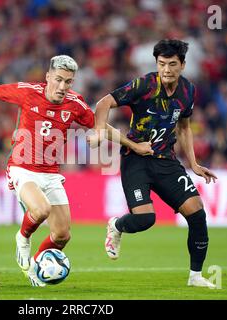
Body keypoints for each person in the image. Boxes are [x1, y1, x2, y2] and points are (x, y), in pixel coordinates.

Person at [0, 55, 146, 287]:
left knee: (62, 235)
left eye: (68, 82)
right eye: (59, 80)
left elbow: (100, 125)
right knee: (41, 210)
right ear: (48, 77)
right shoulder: (28, 91)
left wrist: (132, 145)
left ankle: (34, 266)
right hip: (22, 169)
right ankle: (22, 239)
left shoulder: (75, 103)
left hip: (51, 173)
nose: (63, 86)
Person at [91, 39, 218, 288]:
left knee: (198, 214)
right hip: (135, 159)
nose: (166, 70)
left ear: (182, 65)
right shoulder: (145, 85)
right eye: (162, 64)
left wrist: (193, 163)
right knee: (145, 220)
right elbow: (103, 103)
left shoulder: (188, 91)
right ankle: (116, 225)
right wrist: (98, 130)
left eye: (172, 64)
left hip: (165, 161)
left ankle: (195, 276)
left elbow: (183, 127)